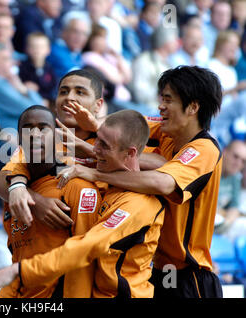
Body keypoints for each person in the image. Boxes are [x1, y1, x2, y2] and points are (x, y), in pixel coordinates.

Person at [54, 65, 224, 298]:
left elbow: (163, 183)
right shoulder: (165, 132)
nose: (160, 106)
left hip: (189, 276)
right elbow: (126, 128)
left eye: (168, 100)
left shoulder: (204, 148)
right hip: (158, 271)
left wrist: (96, 174)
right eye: (161, 98)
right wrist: (92, 126)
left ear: (193, 107)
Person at [0, 109, 166, 298]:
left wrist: (19, 271)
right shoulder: (21, 184)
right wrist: (17, 185)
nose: (93, 150)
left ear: (129, 153)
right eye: (96, 140)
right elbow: (8, 174)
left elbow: (85, 249)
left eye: (103, 145)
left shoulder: (134, 202)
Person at [0, 105, 102, 298]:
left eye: (43, 128)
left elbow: (85, 258)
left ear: (58, 137)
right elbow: (18, 253)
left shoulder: (77, 188)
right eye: (28, 128)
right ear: (19, 139)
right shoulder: (14, 190)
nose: (35, 135)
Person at [0, 68, 105, 230]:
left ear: (98, 105)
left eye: (80, 92)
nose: (69, 98)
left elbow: (138, 172)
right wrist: (36, 201)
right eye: (63, 92)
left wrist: (91, 150)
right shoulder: (39, 141)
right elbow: (1, 182)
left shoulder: (111, 139)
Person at [0, 43, 44, 131]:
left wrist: (23, 89)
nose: (12, 62)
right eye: (6, 59)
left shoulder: (9, 81)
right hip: (8, 137)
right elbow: (35, 110)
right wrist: (25, 90)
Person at [130, 25, 179, 113]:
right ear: (166, 42)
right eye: (175, 39)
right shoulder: (144, 61)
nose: (177, 43)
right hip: (149, 110)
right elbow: (139, 92)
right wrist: (160, 95)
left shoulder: (169, 63)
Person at [215, 140, 246, 242]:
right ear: (224, 152)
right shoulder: (210, 170)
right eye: (235, 156)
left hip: (219, 225)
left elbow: (234, 207)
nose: (238, 163)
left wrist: (227, 222)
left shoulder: (235, 179)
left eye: (243, 161)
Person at [18, 32, 59, 108]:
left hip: (47, 103)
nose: (37, 50)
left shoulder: (50, 69)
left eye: (41, 47)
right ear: (26, 49)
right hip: (28, 103)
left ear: (48, 50)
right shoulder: (21, 67)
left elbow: (54, 88)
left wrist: (48, 99)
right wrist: (25, 87)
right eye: (33, 47)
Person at [47, 12, 91, 79]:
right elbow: (76, 75)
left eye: (84, 34)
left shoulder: (76, 53)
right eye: (75, 31)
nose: (80, 37)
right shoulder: (54, 50)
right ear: (64, 31)